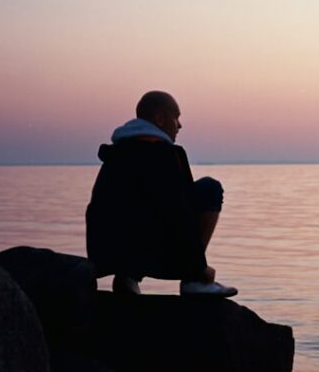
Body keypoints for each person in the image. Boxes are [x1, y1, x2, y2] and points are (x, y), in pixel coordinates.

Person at [86, 90, 237, 297]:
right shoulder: (165, 155)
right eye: (176, 117)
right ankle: (193, 280)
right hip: (153, 256)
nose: (180, 126)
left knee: (136, 208)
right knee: (210, 188)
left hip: (104, 256)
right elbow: (178, 212)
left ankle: (127, 277)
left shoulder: (116, 153)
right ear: (159, 118)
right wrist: (199, 268)